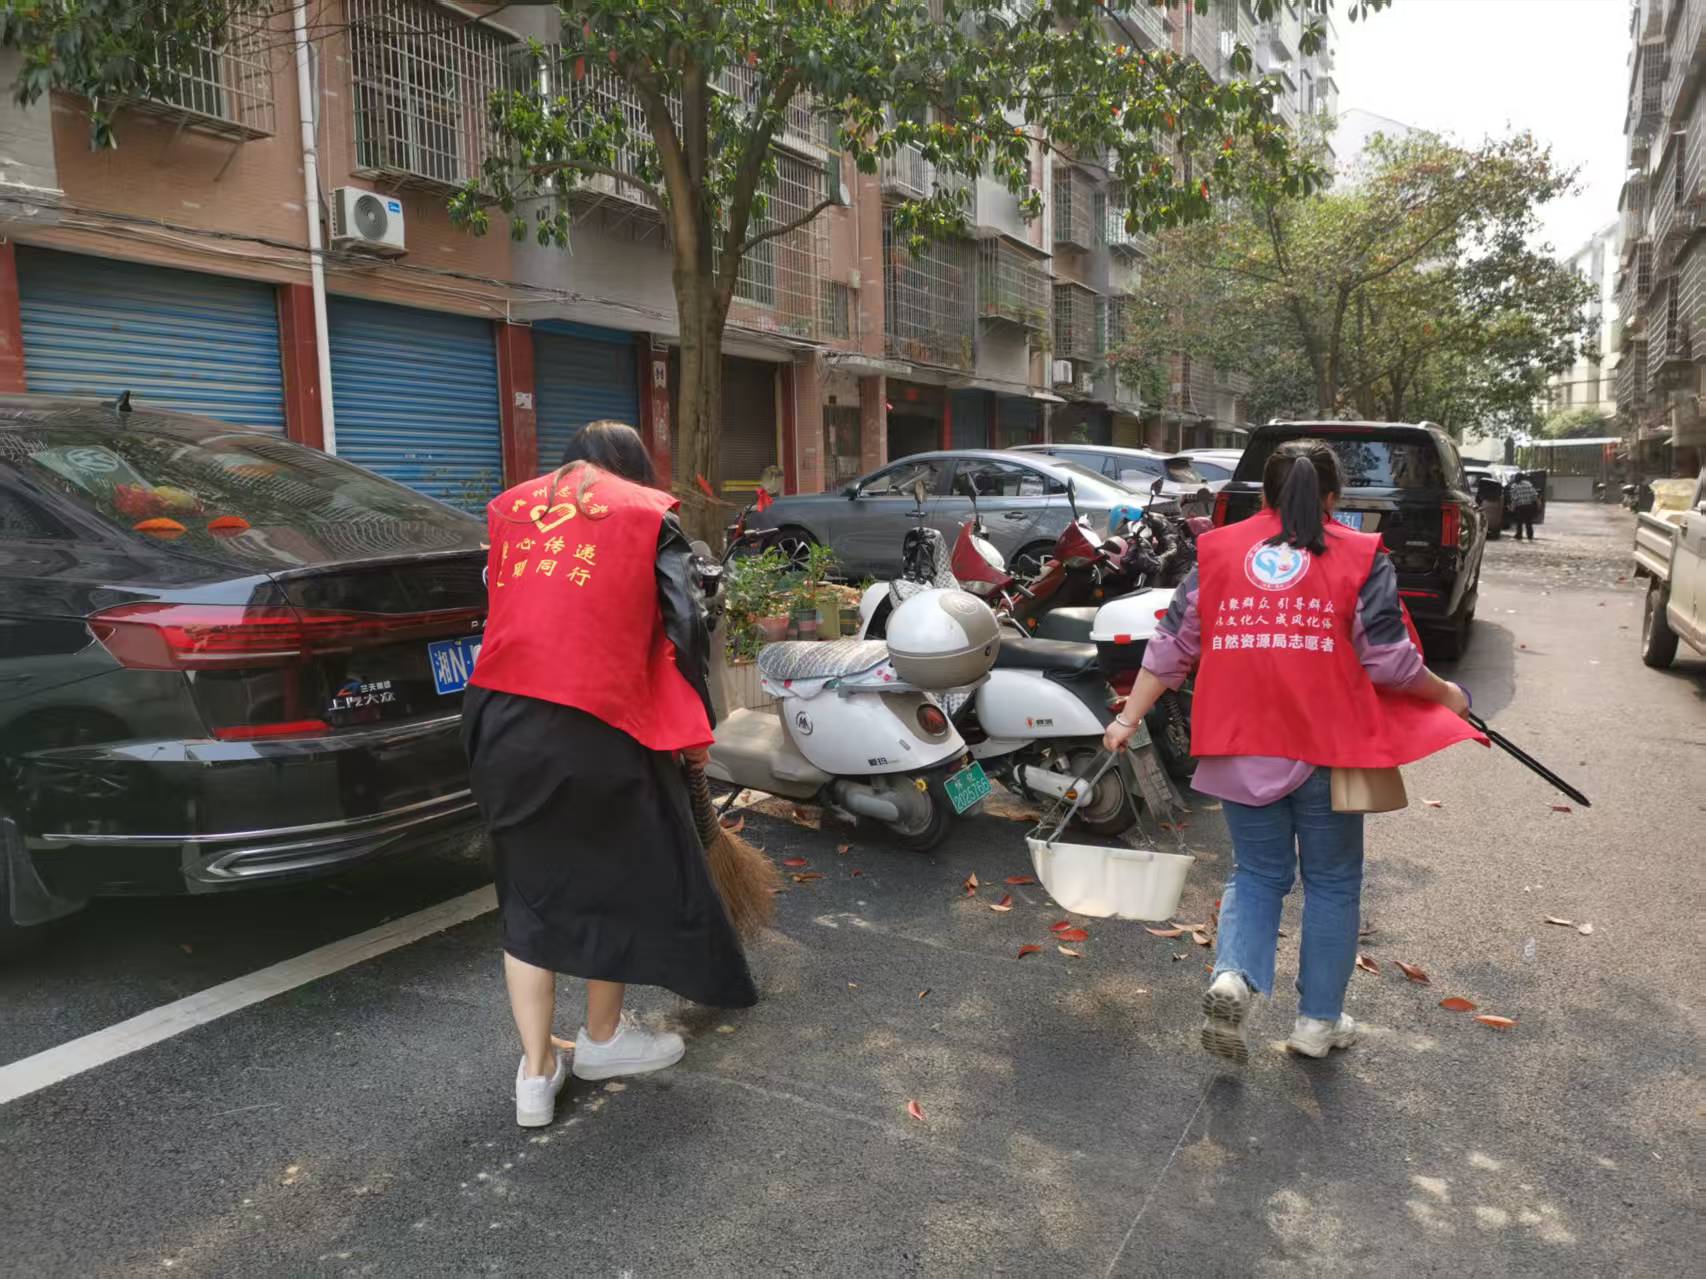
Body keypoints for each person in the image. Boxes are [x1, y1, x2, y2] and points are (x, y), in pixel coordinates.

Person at [1104, 440, 1483, 1063]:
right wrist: (1448, 694)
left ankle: (1233, 977)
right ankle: (1317, 1023)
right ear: (1333, 496)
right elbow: (1389, 662)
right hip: (1329, 746)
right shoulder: (1361, 555)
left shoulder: (1216, 552)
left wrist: (1128, 719)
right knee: (1332, 882)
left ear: (1264, 493)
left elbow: (1171, 647)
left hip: (1238, 744)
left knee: (1257, 873)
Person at [463, 420, 756, 1128]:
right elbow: (684, 629)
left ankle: (536, 1075)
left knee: (526, 893)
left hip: (498, 720)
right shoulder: (646, 515)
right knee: (611, 876)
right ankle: (601, 1040)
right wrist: (694, 729)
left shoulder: (511, 511)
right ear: (632, 468)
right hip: (598, 722)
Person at [1508, 474, 1540, 541]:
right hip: (1529, 506)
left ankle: (1519, 535)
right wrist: (1538, 503)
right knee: (1528, 522)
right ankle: (1530, 536)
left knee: (1519, 522)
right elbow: (1534, 495)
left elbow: (1514, 499)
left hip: (1519, 507)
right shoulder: (1528, 484)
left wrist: (1512, 507)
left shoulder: (1514, 486)